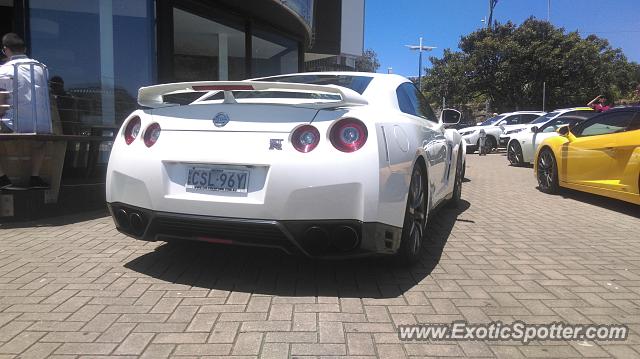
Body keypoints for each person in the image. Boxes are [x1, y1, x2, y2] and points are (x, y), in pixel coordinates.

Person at [0, 33, 50, 189]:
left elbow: (1, 100)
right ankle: (35, 176)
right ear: (25, 49)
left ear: (5, 50)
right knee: (40, 141)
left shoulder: (4, 70)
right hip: (41, 125)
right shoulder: (42, 68)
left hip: (15, 125)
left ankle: (2, 178)